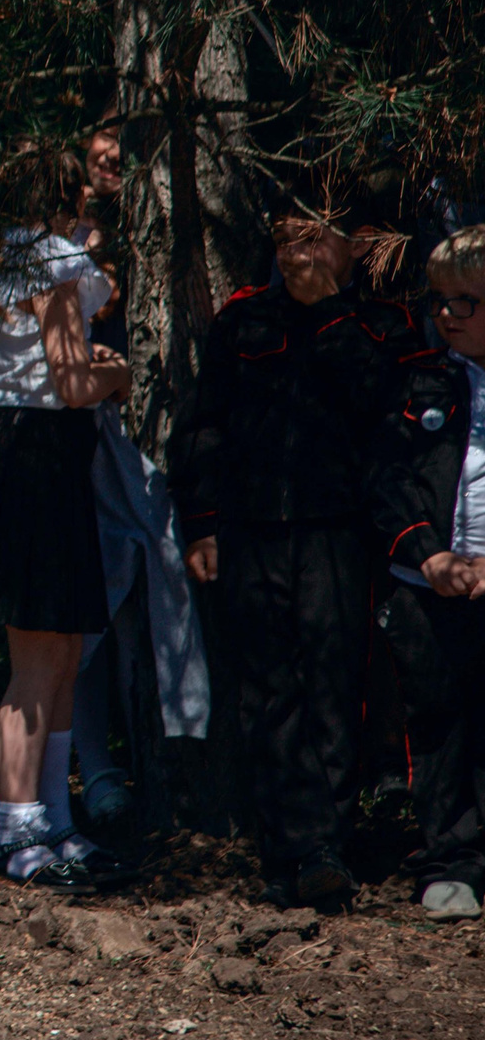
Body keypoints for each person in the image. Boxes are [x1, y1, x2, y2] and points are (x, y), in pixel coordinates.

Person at [170, 190, 413, 910]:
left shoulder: (378, 323)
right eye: (286, 238)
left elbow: (380, 411)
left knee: (333, 684)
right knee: (266, 692)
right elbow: (203, 425)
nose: (298, 252)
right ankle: (288, 849)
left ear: (352, 246)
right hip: (251, 533)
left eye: (315, 238)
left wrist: (332, 309)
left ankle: (327, 843)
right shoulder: (242, 317)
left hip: (338, 532)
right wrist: (203, 522)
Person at [0, 145, 138, 892]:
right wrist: (120, 372)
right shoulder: (51, 265)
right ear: (66, 198)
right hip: (33, 459)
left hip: (24, 457)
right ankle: (19, 830)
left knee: (64, 652)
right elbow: (74, 382)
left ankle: (56, 820)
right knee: (37, 662)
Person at [68, 129, 211, 829]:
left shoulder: (170, 228)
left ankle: (173, 764)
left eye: (122, 161)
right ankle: (96, 768)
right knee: (85, 613)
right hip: (80, 438)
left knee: (143, 605)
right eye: (99, 160)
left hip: (140, 442)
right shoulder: (66, 237)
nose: (110, 173)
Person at [367, 223, 485, 919]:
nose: (446, 313)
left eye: (465, 300)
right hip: (430, 586)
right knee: (440, 723)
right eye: (438, 299)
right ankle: (451, 861)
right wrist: (429, 555)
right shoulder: (417, 377)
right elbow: (387, 479)